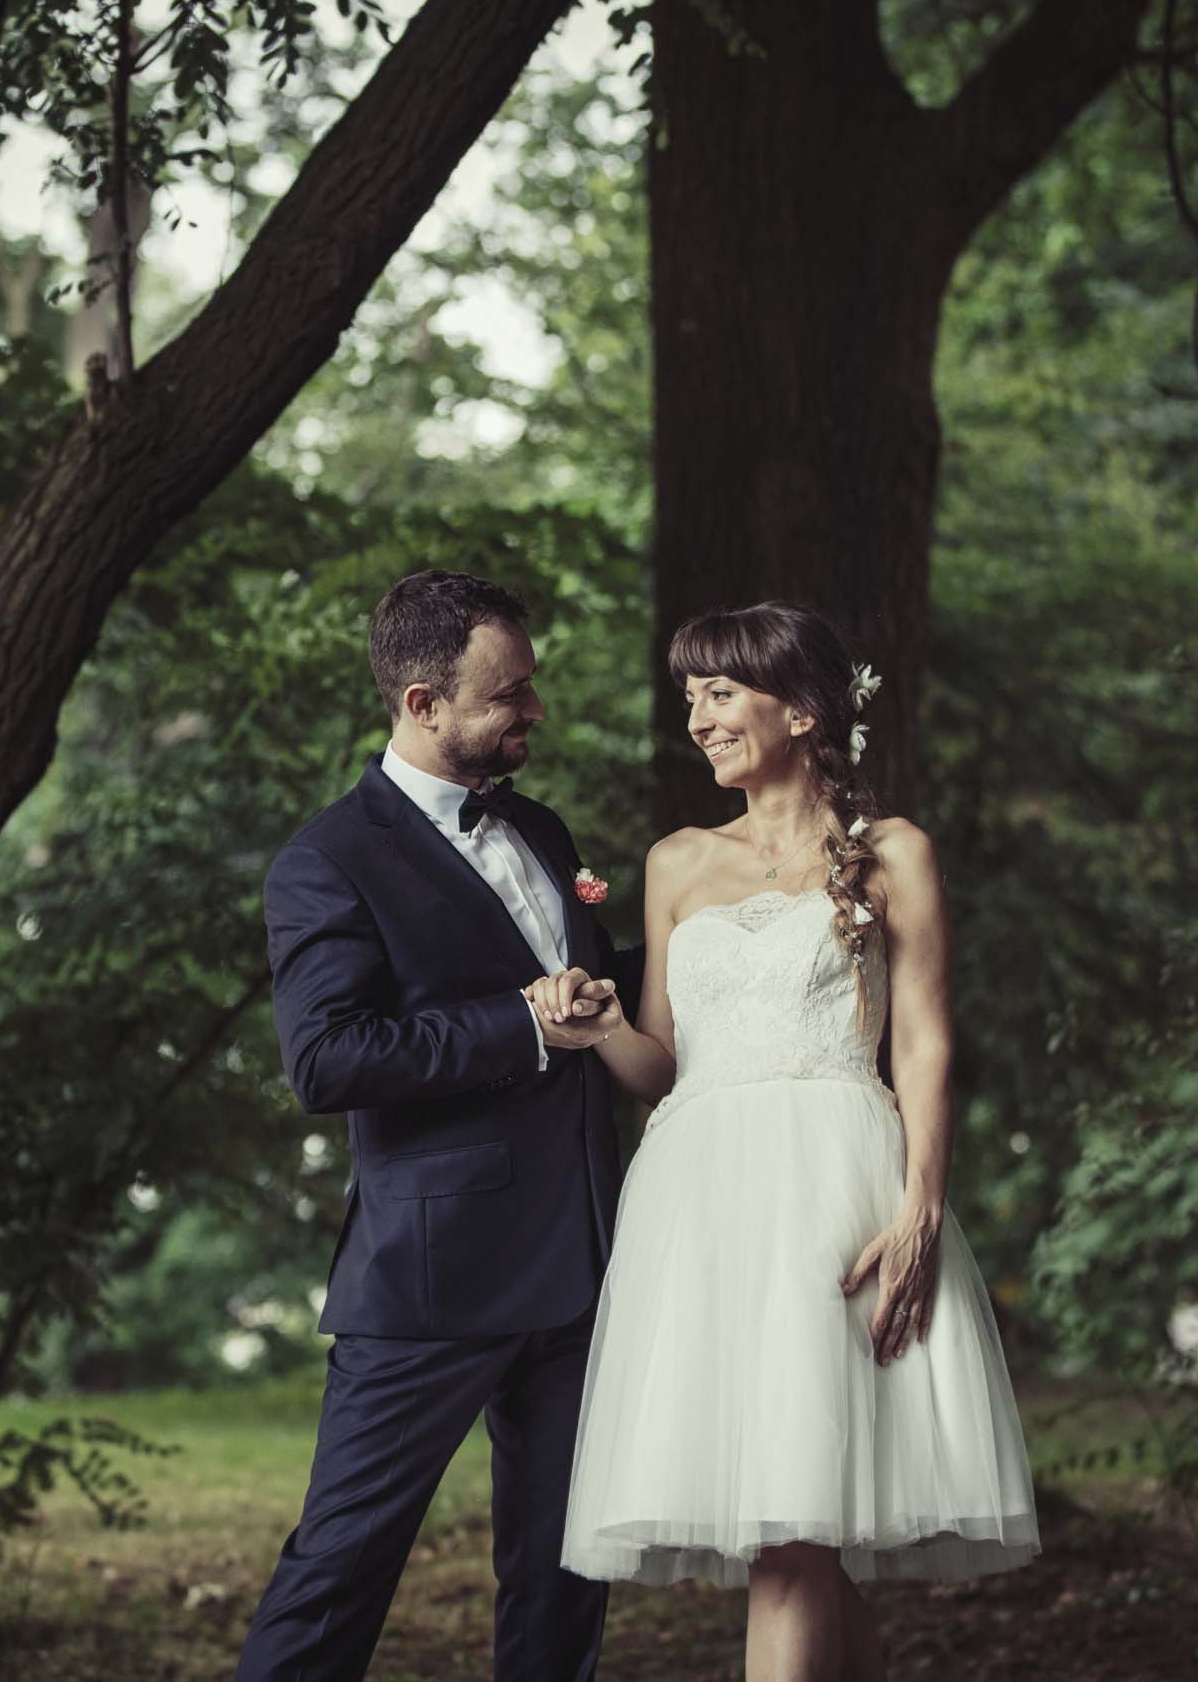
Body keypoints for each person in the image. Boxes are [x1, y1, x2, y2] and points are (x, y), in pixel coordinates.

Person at [548, 599, 1039, 1681]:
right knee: (800, 1538)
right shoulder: (675, 862)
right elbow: (662, 1065)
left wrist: (920, 1207)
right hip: (701, 1208)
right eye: (690, 696)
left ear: (804, 710)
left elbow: (923, 1043)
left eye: (721, 692)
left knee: (792, 1535)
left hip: (834, 1191)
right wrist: (601, 1029)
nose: (698, 718)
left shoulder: (892, 852)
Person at [234, 569, 637, 1682]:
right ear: (422, 703)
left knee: (564, 1579)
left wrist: (739, 929)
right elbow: (328, 1059)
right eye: (508, 695)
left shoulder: (539, 826)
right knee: (337, 1573)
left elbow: (592, 985)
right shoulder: (326, 860)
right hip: (431, 1280)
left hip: (581, 1263)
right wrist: (521, 1024)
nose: (534, 710)